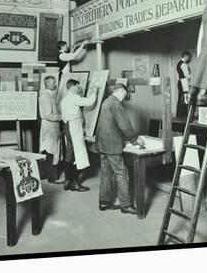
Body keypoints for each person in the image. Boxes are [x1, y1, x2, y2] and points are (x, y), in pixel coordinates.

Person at [95, 83, 145, 214]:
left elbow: (109, 124)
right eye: (125, 95)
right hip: (112, 144)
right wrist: (135, 139)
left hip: (102, 143)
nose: (124, 98)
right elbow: (124, 124)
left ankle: (104, 202)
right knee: (121, 173)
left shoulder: (106, 101)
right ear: (121, 92)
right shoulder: (116, 103)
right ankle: (126, 205)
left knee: (106, 172)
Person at [60, 79, 96, 192]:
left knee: (70, 153)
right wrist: (95, 91)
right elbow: (90, 101)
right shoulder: (74, 98)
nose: (79, 89)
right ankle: (75, 184)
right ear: (73, 87)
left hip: (68, 126)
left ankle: (67, 181)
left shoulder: (65, 99)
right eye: (78, 87)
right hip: (74, 127)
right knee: (78, 154)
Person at [39, 75, 63, 184]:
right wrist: (62, 117)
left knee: (49, 151)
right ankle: (52, 177)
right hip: (50, 126)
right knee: (51, 151)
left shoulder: (50, 95)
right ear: (47, 84)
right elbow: (48, 114)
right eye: (53, 82)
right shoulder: (45, 96)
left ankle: (45, 174)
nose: (55, 84)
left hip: (51, 126)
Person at [176, 51, 192, 118]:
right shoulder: (183, 64)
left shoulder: (178, 64)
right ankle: (183, 116)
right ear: (185, 56)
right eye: (188, 57)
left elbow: (178, 76)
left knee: (181, 99)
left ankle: (179, 115)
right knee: (185, 99)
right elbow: (187, 76)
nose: (189, 59)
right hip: (184, 82)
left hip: (180, 82)